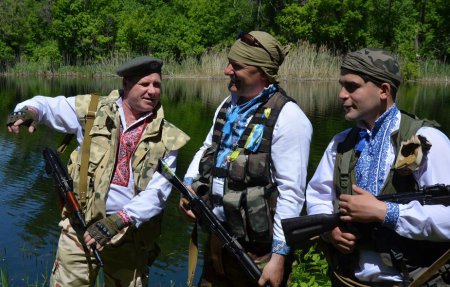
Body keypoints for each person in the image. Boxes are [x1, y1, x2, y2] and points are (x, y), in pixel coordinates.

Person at [6, 56, 190, 286]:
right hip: (78, 226)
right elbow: (45, 105)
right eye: (145, 84)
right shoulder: (92, 110)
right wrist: (29, 111)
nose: (152, 91)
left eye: (157, 85)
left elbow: (158, 194)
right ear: (126, 84)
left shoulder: (169, 137)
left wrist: (119, 220)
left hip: (129, 236)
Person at [306, 48, 450, 286]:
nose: (341, 94)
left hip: (415, 280)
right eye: (341, 85)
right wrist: (330, 232)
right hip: (348, 280)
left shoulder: (425, 140)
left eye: (352, 87)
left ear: (383, 90)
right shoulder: (341, 143)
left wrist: (385, 213)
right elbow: (318, 196)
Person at [180, 31, 313, 287]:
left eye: (237, 66)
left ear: (262, 73)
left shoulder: (290, 118)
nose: (227, 70)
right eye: (230, 62)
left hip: (258, 253)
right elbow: (208, 147)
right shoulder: (228, 106)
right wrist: (188, 186)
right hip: (217, 239)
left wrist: (278, 257)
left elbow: (291, 194)